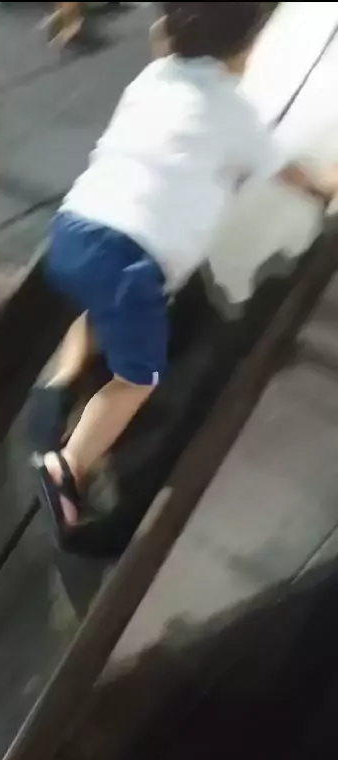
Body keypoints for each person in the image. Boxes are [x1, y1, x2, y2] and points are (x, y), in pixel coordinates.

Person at [34, 1, 338, 536]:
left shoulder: (152, 79)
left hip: (72, 228)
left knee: (99, 307)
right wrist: (326, 183)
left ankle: (59, 383)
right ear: (247, 49)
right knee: (138, 377)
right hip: (131, 261)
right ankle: (69, 465)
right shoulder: (231, 111)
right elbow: (290, 172)